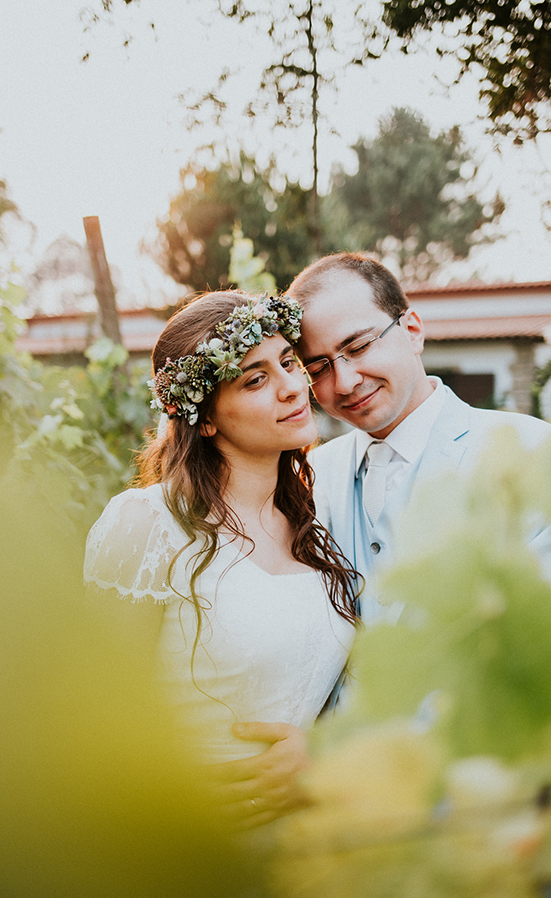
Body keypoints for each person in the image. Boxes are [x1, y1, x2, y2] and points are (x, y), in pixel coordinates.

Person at [219, 251, 551, 818]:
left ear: (411, 330)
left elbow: (535, 671)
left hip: (480, 823)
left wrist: (337, 759)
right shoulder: (309, 478)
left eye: (359, 347)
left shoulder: (526, 458)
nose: (345, 381)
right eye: (316, 366)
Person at [83, 289, 359, 828]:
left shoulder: (318, 520)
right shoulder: (147, 525)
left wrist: (320, 750)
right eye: (254, 379)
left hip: (308, 839)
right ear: (204, 419)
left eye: (287, 362)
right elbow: (97, 713)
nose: (291, 388)